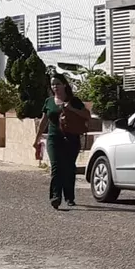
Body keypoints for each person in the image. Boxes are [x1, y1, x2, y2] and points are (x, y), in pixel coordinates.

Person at [34, 73, 91, 209]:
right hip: (54, 138)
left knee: (69, 167)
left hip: (71, 137)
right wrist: (37, 139)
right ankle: (56, 196)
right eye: (53, 84)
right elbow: (44, 121)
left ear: (64, 85)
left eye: (58, 84)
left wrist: (71, 109)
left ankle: (69, 197)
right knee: (56, 167)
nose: (55, 87)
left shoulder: (74, 100)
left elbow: (87, 115)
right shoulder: (49, 102)